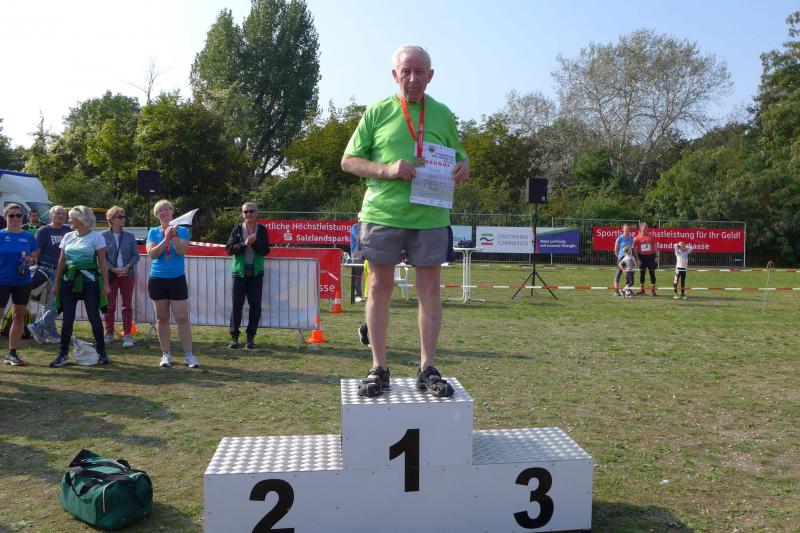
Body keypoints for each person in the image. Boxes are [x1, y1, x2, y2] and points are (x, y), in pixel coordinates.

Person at [341, 45, 469, 397]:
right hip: (383, 214)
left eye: (419, 72)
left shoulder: (443, 113)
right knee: (379, 287)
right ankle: (378, 367)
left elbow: (460, 155)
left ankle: (428, 367)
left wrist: (465, 166)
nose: (413, 78)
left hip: (430, 215)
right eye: (406, 71)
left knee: (430, 291)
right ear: (394, 74)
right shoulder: (377, 111)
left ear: (431, 75)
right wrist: (386, 169)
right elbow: (348, 161)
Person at [50, 205, 111, 367]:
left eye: (71, 218)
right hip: (69, 280)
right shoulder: (68, 236)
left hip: (90, 281)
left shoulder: (97, 237)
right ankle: (62, 354)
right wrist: (56, 283)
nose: (68, 220)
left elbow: (103, 263)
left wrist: (106, 284)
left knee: (94, 318)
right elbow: (61, 261)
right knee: (67, 319)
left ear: (81, 219)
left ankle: (102, 353)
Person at [146, 199, 199, 368]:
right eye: (160, 210)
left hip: (177, 279)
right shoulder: (153, 232)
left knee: (182, 318)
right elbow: (152, 254)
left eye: (167, 209)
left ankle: (189, 355)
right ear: (156, 215)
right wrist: (165, 239)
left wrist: (174, 236)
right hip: (157, 279)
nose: (164, 212)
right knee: (162, 318)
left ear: (172, 212)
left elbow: (182, 251)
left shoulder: (182, 231)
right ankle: (166, 354)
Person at [225, 202, 269, 349]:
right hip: (239, 273)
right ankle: (234, 338)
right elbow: (229, 249)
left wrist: (254, 244)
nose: (248, 214)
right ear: (242, 214)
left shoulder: (262, 230)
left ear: (257, 213)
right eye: (245, 212)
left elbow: (265, 250)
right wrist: (244, 244)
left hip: (256, 274)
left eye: (251, 211)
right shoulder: (237, 229)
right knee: (236, 306)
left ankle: (250, 339)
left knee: (255, 307)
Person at [28, 205, 71, 344]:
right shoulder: (43, 231)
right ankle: (45, 330)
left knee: (51, 303)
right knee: (55, 303)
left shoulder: (68, 230)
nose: (61, 216)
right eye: (58, 213)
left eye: (63, 214)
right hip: (46, 269)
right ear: (51, 215)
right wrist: (35, 268)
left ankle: (41, 329)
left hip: (62, 270)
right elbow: (36, 252)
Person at [1, 203, 38, 366]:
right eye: (11, 215)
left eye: (18, 215)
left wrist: (31, 261)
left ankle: (12, 353)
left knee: (18, 317)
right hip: (2, 281)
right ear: (5, 217)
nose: (15, 218)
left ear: (23, 217)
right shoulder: (1, 235)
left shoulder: (29, 237)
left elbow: (35, 258)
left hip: (22, 281)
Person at [101, 206, 139, 347]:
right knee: (109, 306)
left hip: (127, 274)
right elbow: (100, 257)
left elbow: (136, 256)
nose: (123, 219)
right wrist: (112, 268)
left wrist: (128, 266)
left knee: (127, 305)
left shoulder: (130, 236)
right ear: (111, 219)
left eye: (124, 216)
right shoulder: (102, 236)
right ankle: (109, 333)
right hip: (110, 275)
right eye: (120, 217)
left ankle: (127, 334)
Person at [634, 221, 659, 296]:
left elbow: (655, 247)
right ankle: (642, 290)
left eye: (647, 227)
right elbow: (635, 250)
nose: (646, 228)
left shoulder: (651, 236)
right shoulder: (637, 238)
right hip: (642, 257)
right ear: (641, 228)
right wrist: (637, 259)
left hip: (651, 257)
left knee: (652, 273)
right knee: (642, 273)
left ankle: (653, 290)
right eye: (645, 227)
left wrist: (656, 256)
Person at [613, 224, 634, 296]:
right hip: (622, 258)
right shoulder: (619, 238)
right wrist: (619, 257)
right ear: (623, 229)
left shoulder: (631, 238)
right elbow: (616, 249)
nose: (627, 230)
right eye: (626, 228)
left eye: (628, 228)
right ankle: (616, 290)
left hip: (629, 258)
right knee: (619, 273)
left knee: (629, 274)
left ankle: (627, 289)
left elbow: (632, 248)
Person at [350, 221, 365, 303]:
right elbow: (358, 238)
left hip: (367, 254)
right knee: (357, 276)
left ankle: (370, 295)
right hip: (356, 254)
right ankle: (357, 295)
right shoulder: (355, 227)